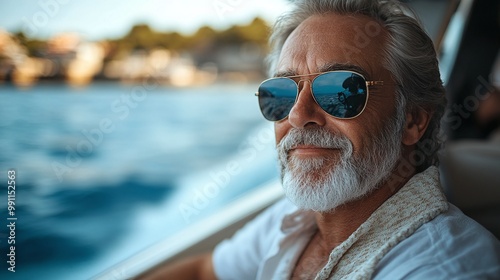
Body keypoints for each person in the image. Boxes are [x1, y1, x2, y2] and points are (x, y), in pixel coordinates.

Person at [143, 0, 500, 279]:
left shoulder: (444, 268)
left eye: (340, 89)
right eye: (280, 94)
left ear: (413, 120)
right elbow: (204, 273)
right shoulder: (293, 219)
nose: (297, 115)